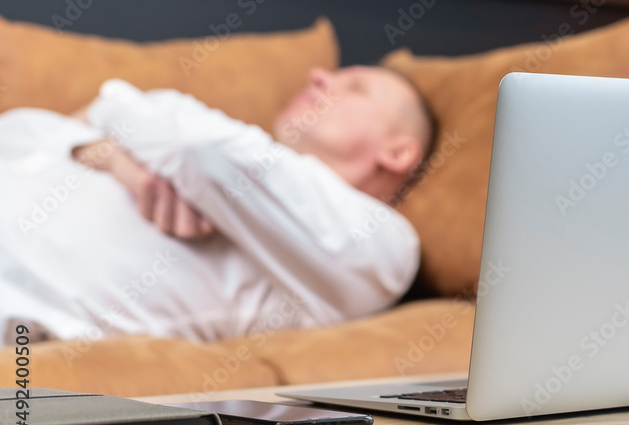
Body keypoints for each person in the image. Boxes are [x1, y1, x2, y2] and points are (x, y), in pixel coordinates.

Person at [0, 66, 434, 345]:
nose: (319, 75)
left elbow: (198, 148)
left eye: (354, 86)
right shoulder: (179, 151)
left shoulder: (385, 245)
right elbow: (16, 130)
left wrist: (115, 108)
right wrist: (108, 154)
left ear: (397, 153)